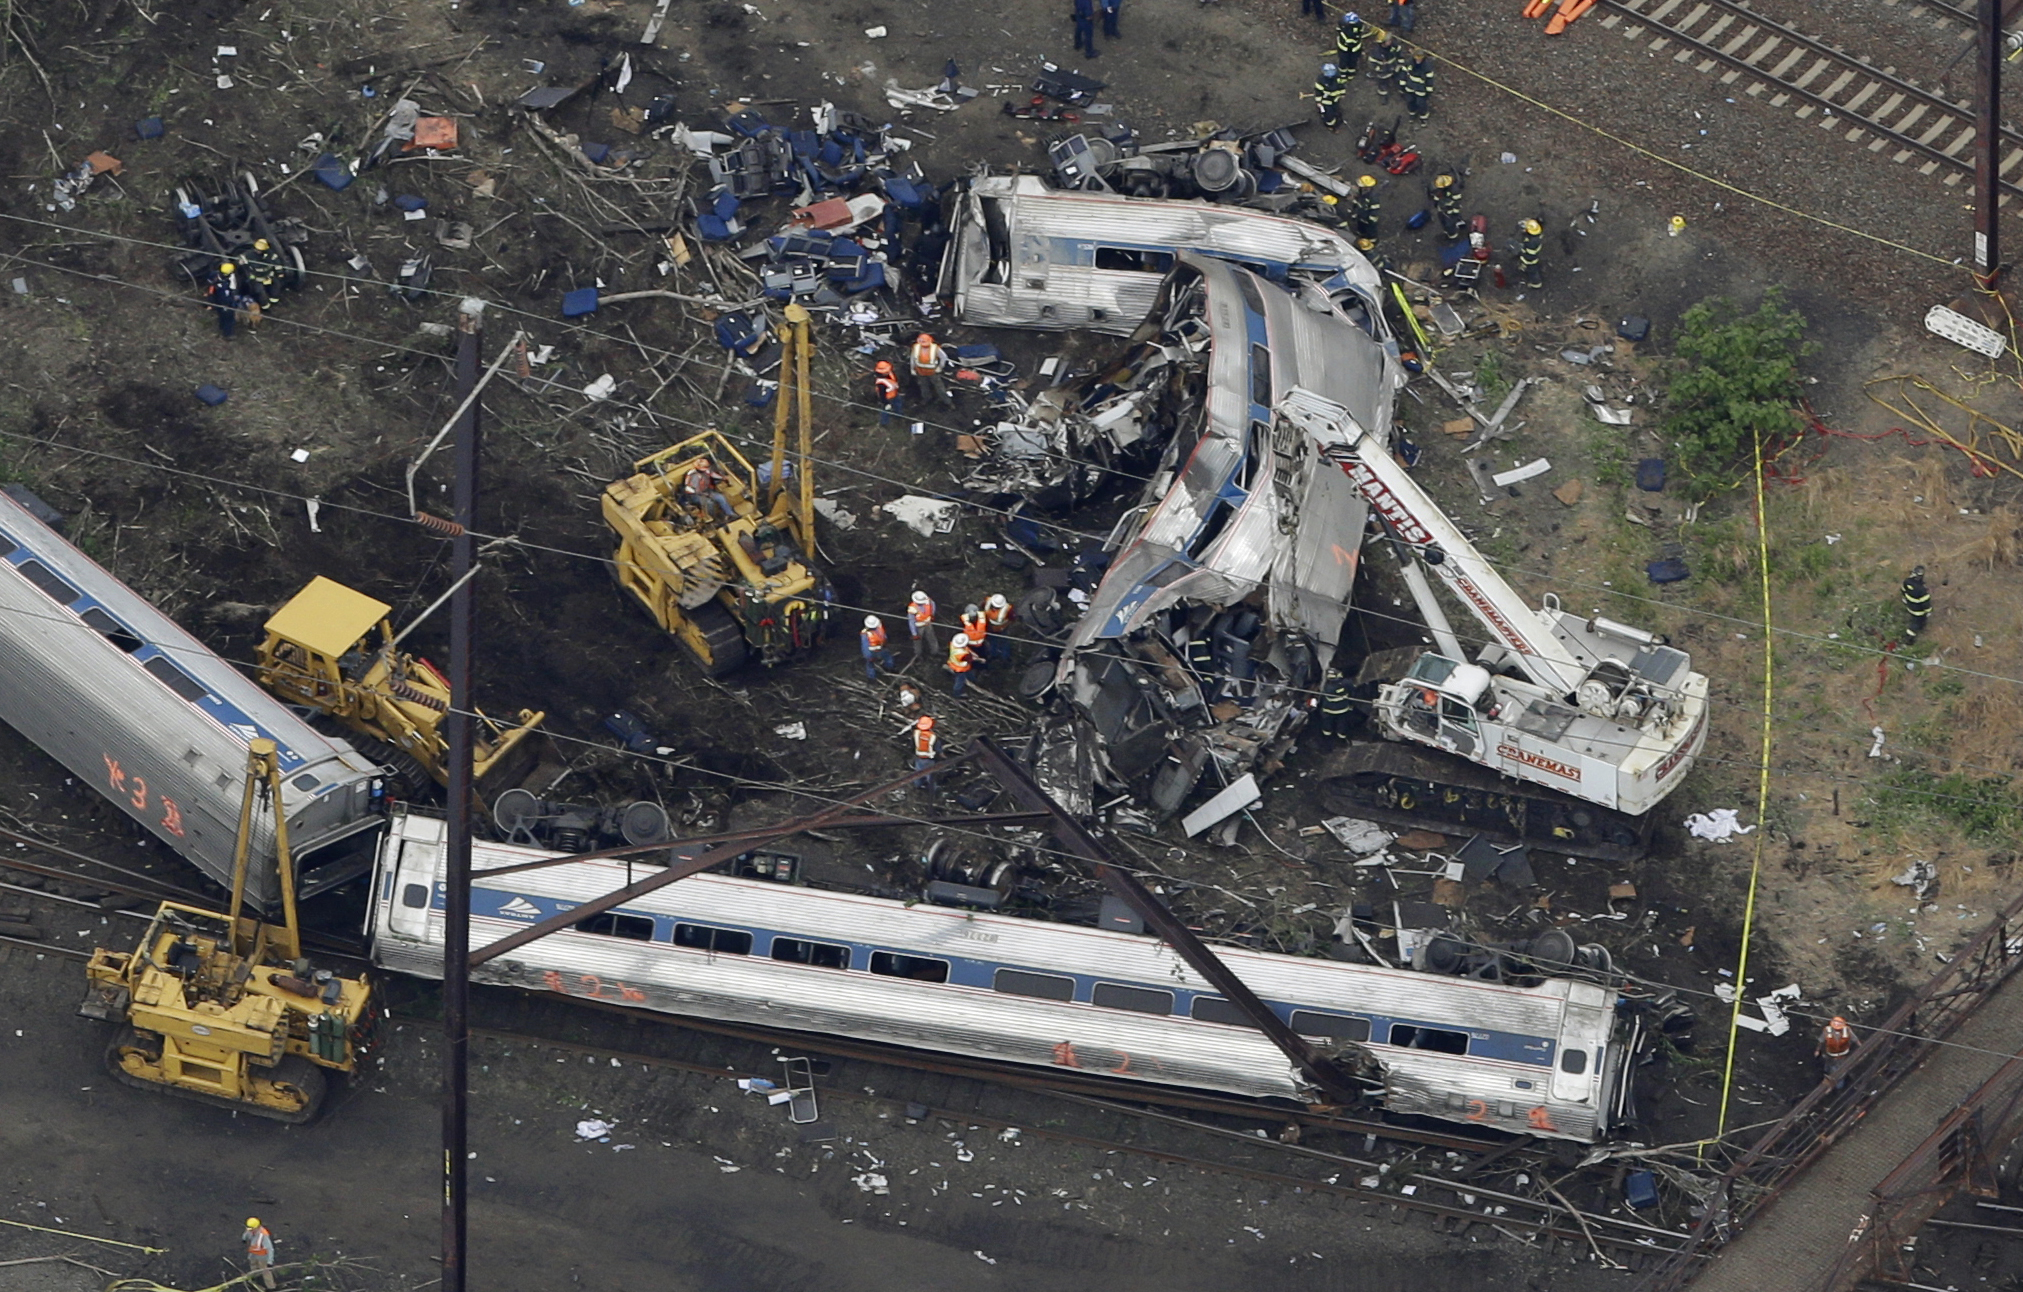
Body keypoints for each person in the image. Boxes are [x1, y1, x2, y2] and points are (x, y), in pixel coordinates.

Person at [910, 332, 949, 405]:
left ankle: (947, 402)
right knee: (924, 387)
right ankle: (927, 398)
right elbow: (913, 358)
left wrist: (940, 367)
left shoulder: (935, 348)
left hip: (933, 372)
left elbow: (944, 357)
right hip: (920, 371)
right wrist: (912, 368)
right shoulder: (916, 347)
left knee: (940, 388)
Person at [205, 262, 243, 339]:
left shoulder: (214, 275)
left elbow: (209, 283)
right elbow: (227, 298)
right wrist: (233, 304)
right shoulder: (225, 285)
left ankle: (222, 326)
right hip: (224, 303)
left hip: (216, 299)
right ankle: (228, 334)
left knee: (221, 315)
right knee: (229, 318)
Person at [1315, 671, 1356, 738]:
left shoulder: (1326, 686)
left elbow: (1322, 696)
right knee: (1342, 723)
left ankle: (1327, 735)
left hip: (1328, 709)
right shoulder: (1346, 683)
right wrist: (1351, 704)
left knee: (1327, 723)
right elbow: (1352, 690)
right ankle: (1341, 735)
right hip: (1343, 709)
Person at [1369, 28, 1404, 99]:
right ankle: (1383, 96)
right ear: (1383, 42)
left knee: (1399, 81)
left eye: (1390, 40)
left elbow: (1400, 56)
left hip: (1394, 68)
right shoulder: (1376, 51)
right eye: (1388, 40)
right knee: (1383, 84)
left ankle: (1401, 93)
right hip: (1383, 72)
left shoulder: (1394, 46)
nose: (1390, 41)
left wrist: (1399, 66)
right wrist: (1379, 69)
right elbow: (1372, 62)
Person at [242, 1218, 277, 1290]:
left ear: (257, 1227)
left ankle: (271, 1287)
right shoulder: (250, 1230)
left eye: (252, 1229)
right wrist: (244, 1238)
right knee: (253, 1268)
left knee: (265, 1272)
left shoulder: (263, 1235)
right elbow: (246, 1236)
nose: (250, 1230)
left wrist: (270, 1261)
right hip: (253, 1254)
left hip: (262, 1257)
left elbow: (270, 1249)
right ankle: (255, 1281)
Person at [1429, 172, 1465, 241]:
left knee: (1450, 224)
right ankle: (1448, 231)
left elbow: (1457, 202)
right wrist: (1436, 203)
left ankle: (1453, 237)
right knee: (1443, 221)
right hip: (1442, 209)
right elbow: (1437, 196)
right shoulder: (1439, 188)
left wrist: (1454, 212)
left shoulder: (1454, 190)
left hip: (1450, 209)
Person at [860, 614, 896, 681]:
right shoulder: (878, 629)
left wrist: (868, 656)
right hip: (879, 650)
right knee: (887, 658)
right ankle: (889, 669)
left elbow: (865, 646)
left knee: (870, 665)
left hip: (874, 652)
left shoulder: (865, 633)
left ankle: (872, 678)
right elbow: (884, 637)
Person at [907, 589, 940, 662]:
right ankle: (918, 655)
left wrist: (931, 616)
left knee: (931, 637)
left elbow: (933, 606)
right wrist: (914, 633)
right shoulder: (912, 608)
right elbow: (911, 621)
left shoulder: (929, 601)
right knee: (917, 642)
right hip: (918, 626)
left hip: (928, 623)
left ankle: (935, 652)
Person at [983, 593, 1014, 664]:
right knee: (992, 642)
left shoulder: (1008, 610)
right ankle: (993, 655)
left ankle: (1005, 658)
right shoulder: (987, 602)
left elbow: (1012, 618)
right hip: (989, 628)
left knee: (1004, 642)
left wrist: (1005, 626)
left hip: (1002, 629)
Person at [1314, 63, 1347, 131]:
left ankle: (1336, 118)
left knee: (1335, 109)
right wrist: (1319, 102)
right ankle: (1330, 125)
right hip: (1326, 100)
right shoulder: (1321, 80)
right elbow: (1318, 92)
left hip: (1336, 99)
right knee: (1328, 114)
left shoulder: (1338, 77)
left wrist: (1342, 93)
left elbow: (1341, 86)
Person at [1400, 55, 1434, 122]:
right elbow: (1403, 73)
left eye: (1420, 58)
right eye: (1417, 58)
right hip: (1410, 87)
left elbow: (1429, 80)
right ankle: (1412, 113)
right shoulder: (1409, 63)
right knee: (1410, 101)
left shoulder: (1427, 67)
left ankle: (1423, 117)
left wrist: (1428, 91)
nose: (1418, 60)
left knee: (1421, 103)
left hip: (1421, 89)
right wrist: (1402, 84)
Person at [911, 714, 940, 792]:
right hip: (929, 759)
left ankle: (917, 786)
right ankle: (933, 790)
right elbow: (937, 748)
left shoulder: (916, 733)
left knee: (918, 774)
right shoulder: (932, 736)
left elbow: (912, 745)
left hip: (919, 757)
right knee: (930, 775)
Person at [1902, 565, 1931, 639]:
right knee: (1916, 624)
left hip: (1910, 606)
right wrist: (1928, 611)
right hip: (1919, 611)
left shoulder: (1907, 581)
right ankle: (1909, 639)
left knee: (1916, 620)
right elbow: (1925, 603)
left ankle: (1919, 628)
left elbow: (1903, 590)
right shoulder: (1921, 590)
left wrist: (1905, 599)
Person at [1350, 173, 1381, 241]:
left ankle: (1372, 240)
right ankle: (1361, 233)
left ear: (1367, 187)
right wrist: (1354, 212)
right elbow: (1357, 202)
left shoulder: (1373, 197)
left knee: (1370, 230)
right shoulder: (1361, 192)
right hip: (1361, 215)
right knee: (1361, 227)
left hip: (1368, 219)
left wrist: (1371, 221)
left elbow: (1374, 211)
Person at [872, 360, 903, 425]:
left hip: (895, 394)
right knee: (885, 410)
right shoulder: (881, 383)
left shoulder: (890, 373)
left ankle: (898, 416)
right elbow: (882, 395)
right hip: (887, 398)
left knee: (898, 405)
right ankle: (884, 423)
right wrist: (886, 403)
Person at [1516, 217, 1543, 289]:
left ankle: (1536, 283)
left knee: (1532, 271)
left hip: (1530, 260)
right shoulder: (1536, 235)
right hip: (1530, 255)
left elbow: (1529, 256)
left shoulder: (1531, 243)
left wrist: (1525, 261)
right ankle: (1524, 266)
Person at [946, 631, 976, 697]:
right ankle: (956, 693)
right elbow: (970, 659)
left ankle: (973, 680)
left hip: (953, 663)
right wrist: (980, 659)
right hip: (960, 669)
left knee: (969, 673)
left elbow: (966, 648)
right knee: (960, 680)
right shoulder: (962, 654)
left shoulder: (952, 644)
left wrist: (972, 653)